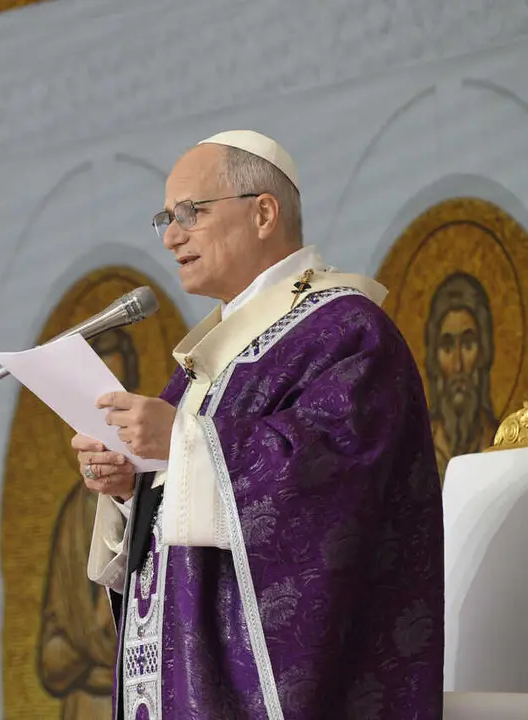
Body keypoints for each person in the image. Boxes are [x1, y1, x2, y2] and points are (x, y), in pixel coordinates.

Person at [72, 130, 444, 719]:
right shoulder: (201, 370)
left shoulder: (345, 332)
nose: (171, 237)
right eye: (164, 219)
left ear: (264, 212)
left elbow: (332, 488)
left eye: (188, 213)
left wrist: (181, 444)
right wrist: (131, 486)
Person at [37, 329, 140, 719]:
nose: (107, 424)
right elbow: (54, 651)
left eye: (116, 408)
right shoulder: (72, 514)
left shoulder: (155, 486)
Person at [424, 272, 499, 479]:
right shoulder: (417, 448)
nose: (458, 365)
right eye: (447, 347)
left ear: (483, 352)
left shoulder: (501, 443)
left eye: (467, 345)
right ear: (434, 358)